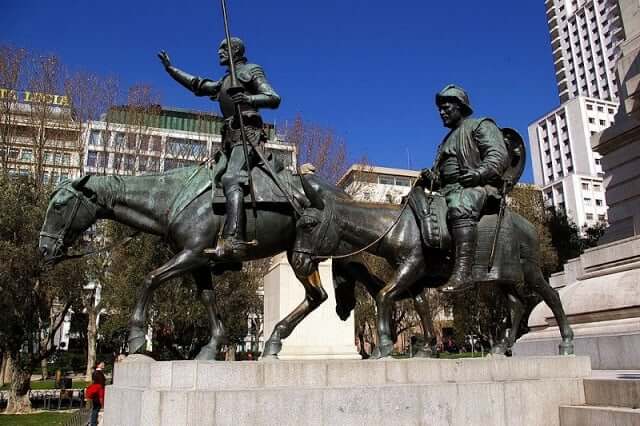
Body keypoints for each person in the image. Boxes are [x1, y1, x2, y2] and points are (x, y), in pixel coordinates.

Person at [158, 37, 281, 259]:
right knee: (208, 180)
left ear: (235, 50)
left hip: (247, 137)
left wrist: (249, 98)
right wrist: (171, 69)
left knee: (232, 178)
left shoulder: (251, 70)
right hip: (229, 140)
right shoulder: (226, 80)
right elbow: (199, 85)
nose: (219, 52)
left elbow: (273, 98)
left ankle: (235, 239)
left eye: (224, 48)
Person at [421, 84, 510, 294]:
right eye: (439, 109)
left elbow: (498, 155)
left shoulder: (480, 125)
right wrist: (432, 178)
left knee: (459, 205)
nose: (442, 112)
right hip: (448, 191)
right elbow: (443, 176)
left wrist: (478, 173)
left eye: (446, 107)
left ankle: (463, 273)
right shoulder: (444, 141)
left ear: (460, 106)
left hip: (476, 187)